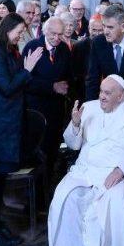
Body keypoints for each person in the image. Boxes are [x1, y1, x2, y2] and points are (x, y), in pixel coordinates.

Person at [47, 75, 124, 246]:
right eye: (101, 91)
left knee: (115, 200)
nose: (101, 96)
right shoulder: (89, 108)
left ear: (120, 97)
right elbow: (73, 145)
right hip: (85, 172)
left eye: (107, 93)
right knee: (65, 197)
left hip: (115, 175)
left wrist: (121, 170)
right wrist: (76, 124)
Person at [0, 12, 45, 246]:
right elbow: (7, 88)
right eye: (18, 31)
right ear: (8, 29)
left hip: (4, 127)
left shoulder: (6, 51)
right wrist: (27, 70)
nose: (20, 36)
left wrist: (25, 70)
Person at [25, 15, 74, 187]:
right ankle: (35, 196)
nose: (56, 38)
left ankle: (49, 192)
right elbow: (25, 81)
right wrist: (51, 86)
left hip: (57, 111)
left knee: (53, 153)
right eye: (53, 34)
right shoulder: (33, 47)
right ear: (45, 31)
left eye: (60, 35)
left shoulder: (64, 50)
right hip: (37, 111)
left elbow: (69, 76)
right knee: (38, 155)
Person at [85, 5, 124, 107]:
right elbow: (93, 81)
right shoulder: (98, 43)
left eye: (110, 27)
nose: (105, 31)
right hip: (109, 108)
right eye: (104, 26)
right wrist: (91, 109)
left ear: (122, 26)